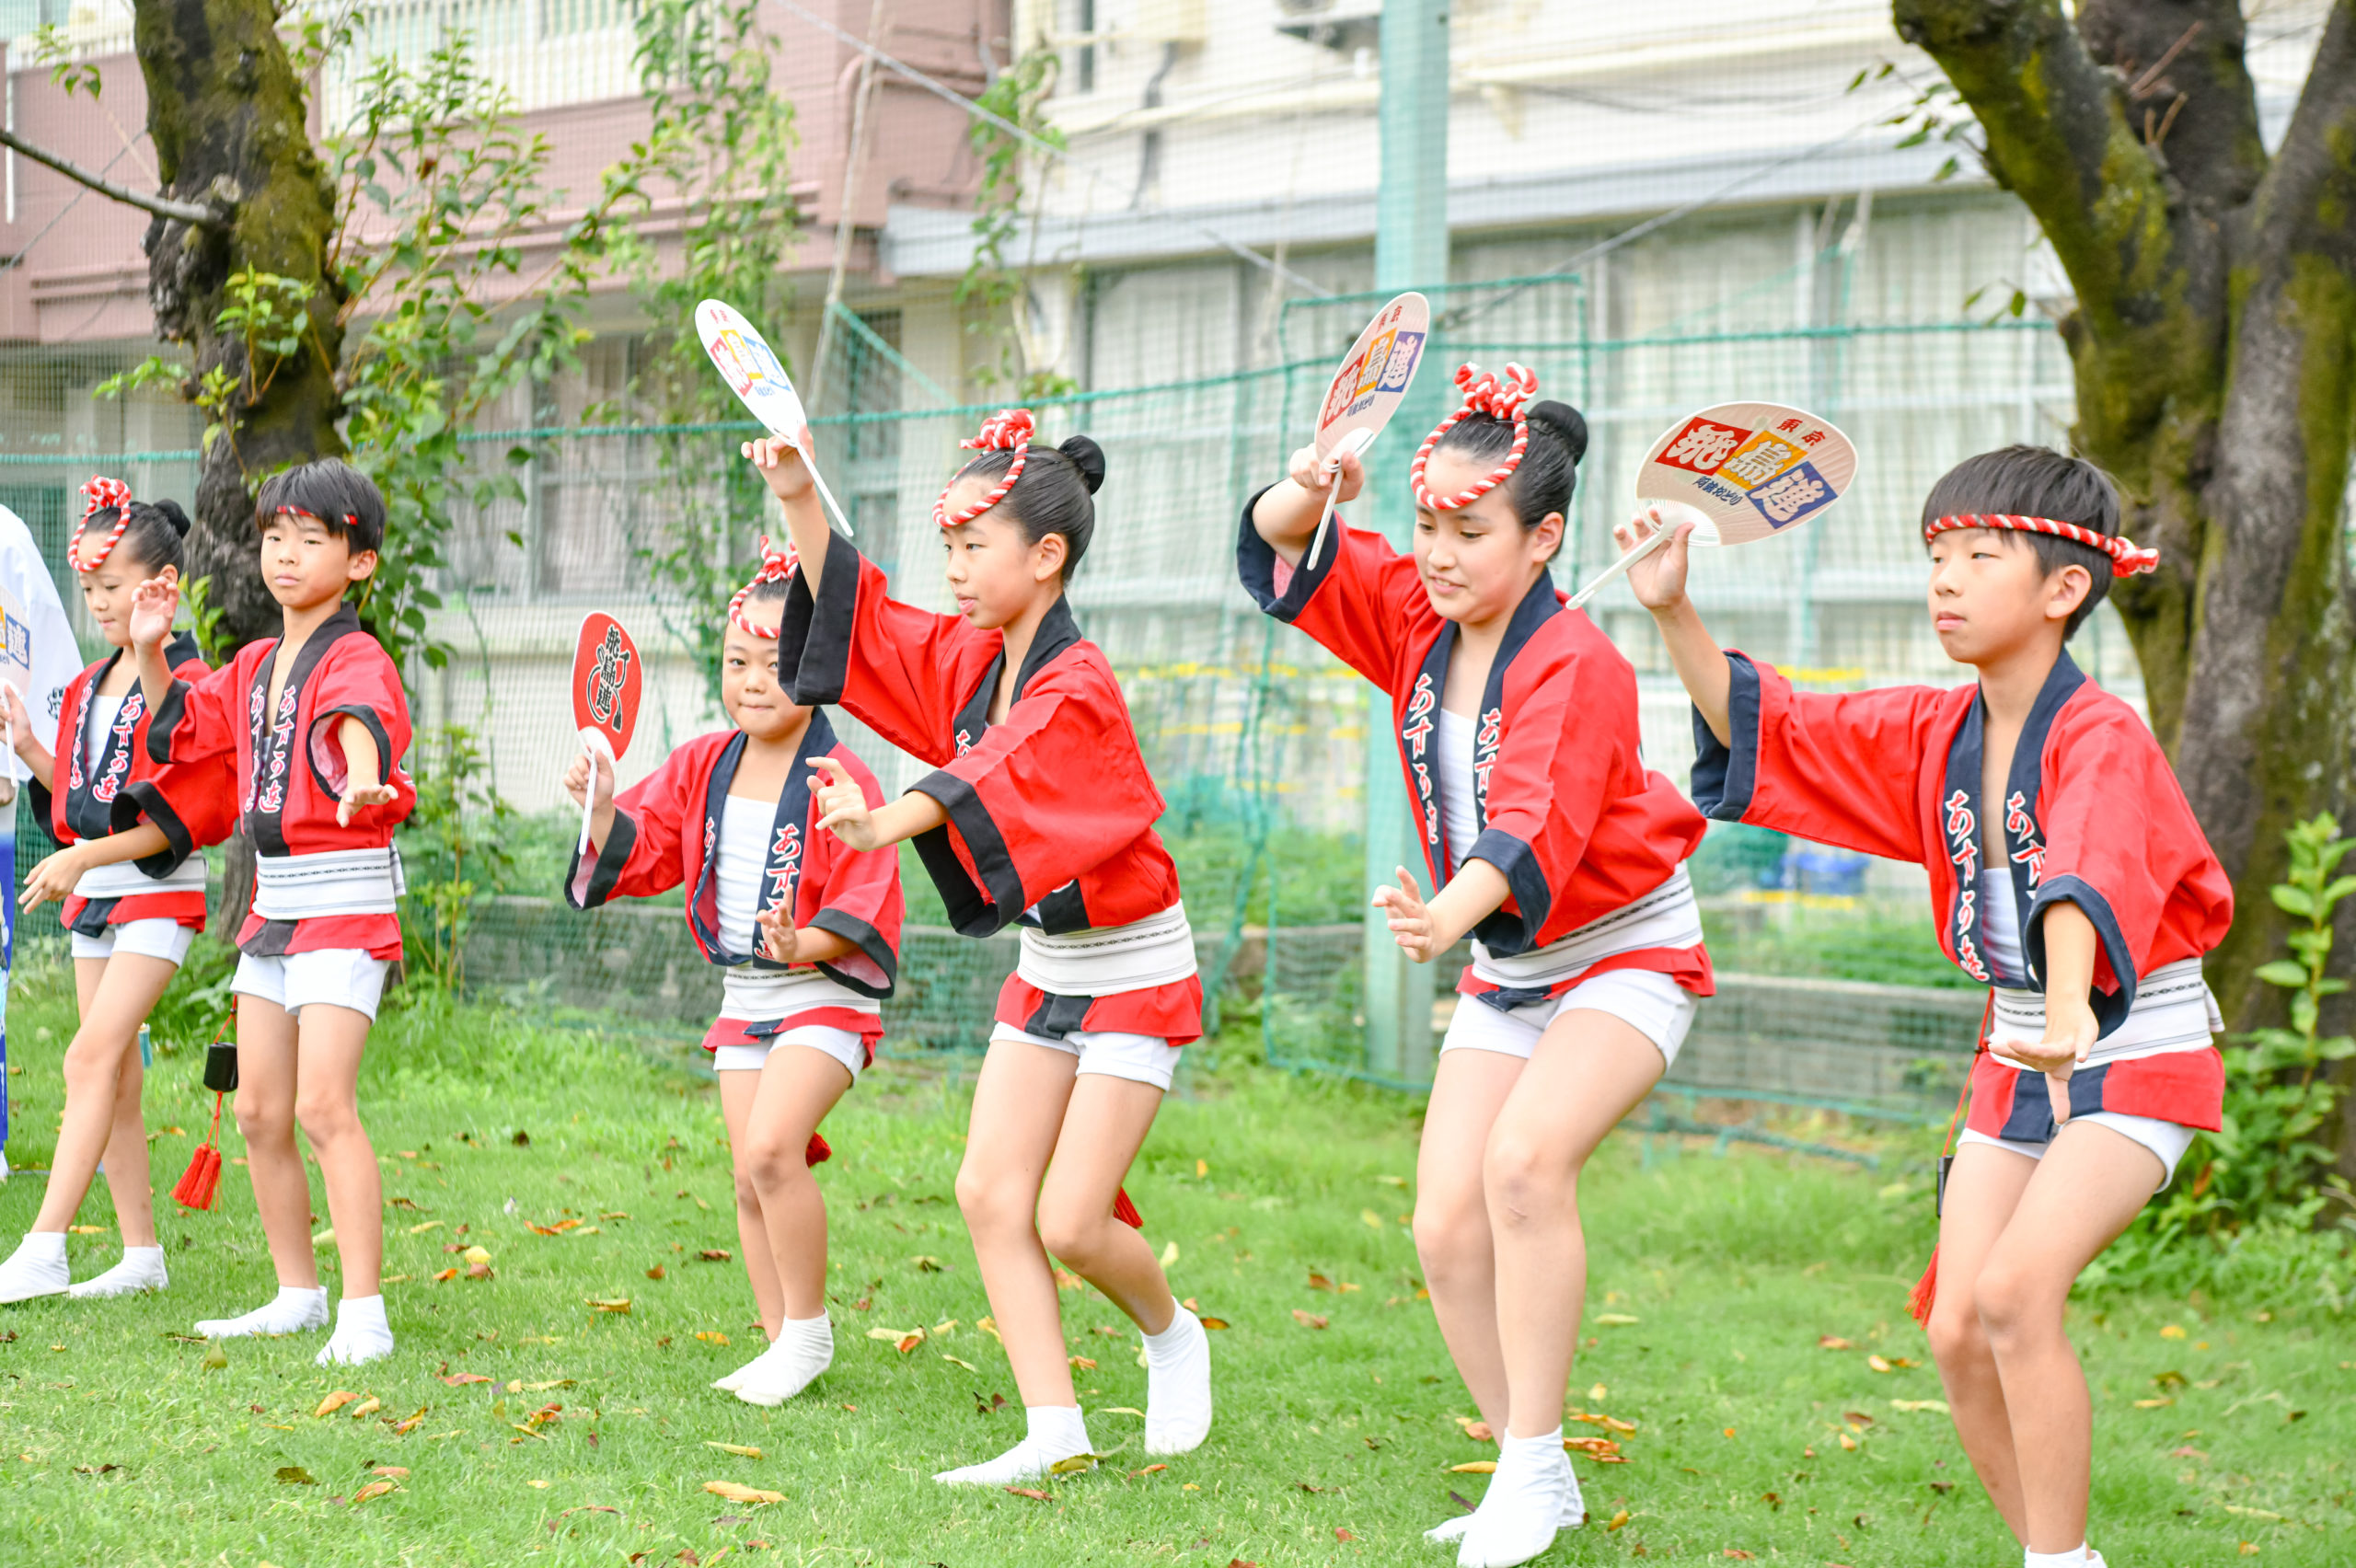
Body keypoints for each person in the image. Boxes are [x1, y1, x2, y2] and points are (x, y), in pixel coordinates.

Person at [1623, 444, 2233, 1568]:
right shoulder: (1933, 731)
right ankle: (2059, 1557)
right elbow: (1781, 728)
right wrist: (1673, 613)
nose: (1945, 579)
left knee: (2013, 1296)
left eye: (1979, 557)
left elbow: (2084, 872)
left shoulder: (2102, 734)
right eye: (1936, 555)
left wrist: (2066, 1012)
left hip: (2128, 1041)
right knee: (1957, 1328)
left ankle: (2057, 1563)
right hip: (2020, 1045)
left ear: (2062, 589)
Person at [1242, 363, 1712, 1568]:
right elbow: (1281, 547)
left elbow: (1530, 823)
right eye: (1426, 524)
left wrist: (1442, 922)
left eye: (1471, 530)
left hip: (1623, 951)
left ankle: (1534, 1461)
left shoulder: (1581, 663)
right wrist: (1307, 486)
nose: (1438, 554)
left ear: (1543, 538)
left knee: (1523, 1167)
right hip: (1508, 958)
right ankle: (1529, 1471)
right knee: (1445, 1226)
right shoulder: (1417, 613)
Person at [745, 409, 1214, 1485]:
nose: (952, 570)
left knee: (1074, 1222)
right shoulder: (971, 657)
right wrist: (796, 487)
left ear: (1045, 556)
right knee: (990, 1193)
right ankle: (1054, 1430)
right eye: (947, 546)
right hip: (1049, 969)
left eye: (972, 547)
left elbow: (998, 768)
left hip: (1135, 969)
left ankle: (1171, 1333)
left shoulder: (1075, 682)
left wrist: (885, 821)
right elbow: (866, 618)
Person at [564, 541, 902, 1407]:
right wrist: (600, 805)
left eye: (777, 663)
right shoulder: (702, 764)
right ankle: (780, 1340)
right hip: (744, 996)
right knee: (750, 1178)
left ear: (817, 669)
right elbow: (642, 847)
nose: (754, 681)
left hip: (822, 993)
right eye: (736, 662)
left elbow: (867, 892)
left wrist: (804, 943)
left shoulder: (842, 776)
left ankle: (809, 1333)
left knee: (772, 1149)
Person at [129, 458, 418, 1366]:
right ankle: (298, 1295)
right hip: (274, 906)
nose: (285, 553)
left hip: (344, 901)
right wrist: (150, 649)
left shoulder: (359, 657)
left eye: (310, 538)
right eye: (274, 536)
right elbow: (183, 729)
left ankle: (364, 1316)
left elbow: (359, 723)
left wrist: (363, 777)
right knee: (258, 1110)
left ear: (359, 562)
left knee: (324, 1106)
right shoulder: (254, 663)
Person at [0, 480, 231, 1302]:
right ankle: (140, 1256)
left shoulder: (191, 680)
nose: (97, 603)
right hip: (95, 890)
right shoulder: (91, 683)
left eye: (112, 586)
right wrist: (30, 746)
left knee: (87, 1057)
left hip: (156, 893)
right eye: (90, 588)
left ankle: (46, 1246)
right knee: (118, 1075)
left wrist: (84, 857)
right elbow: (81, 794)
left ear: (161, 586)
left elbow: (182, 818)